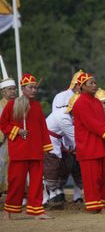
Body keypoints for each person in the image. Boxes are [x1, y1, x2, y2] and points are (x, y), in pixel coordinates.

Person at [0, 73, 53, 220]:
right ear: (23, 89)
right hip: (19, 150)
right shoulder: (13, 104)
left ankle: (37, 211)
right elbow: (3, 124)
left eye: (35, 87)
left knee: (36, 183)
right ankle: (8, 210)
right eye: (31, 87)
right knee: (16, 182)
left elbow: (43, 128)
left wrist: (46, 147)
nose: (34, 90)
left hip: (36, 151)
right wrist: (17, 130)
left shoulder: (36, 106)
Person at [71, 72, 105, 213]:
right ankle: (94, 207)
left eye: (94, 82)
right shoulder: (80, 103)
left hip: (102, 145)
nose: (95, 85)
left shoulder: (96, 102)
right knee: (92, 178)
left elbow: (104, 123)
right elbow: (92, 124)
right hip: (88, 147)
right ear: (82, 86)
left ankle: (101, 205)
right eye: (91, 83)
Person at [44, 93, 82, 208]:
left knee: (57, 166)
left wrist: (72, 147)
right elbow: (74, 137)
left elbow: (71, 138)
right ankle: (48, 197)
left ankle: (53, 195)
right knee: (52, 167)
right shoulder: (64, 117)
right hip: (49, 141)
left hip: (55, 140)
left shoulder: (68, 115)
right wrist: (78, 149)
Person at [0, 57, 17, 198]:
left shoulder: (20, 104)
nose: (13, 92)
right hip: (3, 143)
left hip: (18, 141)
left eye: (14, 89)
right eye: (10, 89)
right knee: (3, 165)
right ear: (3, 91)